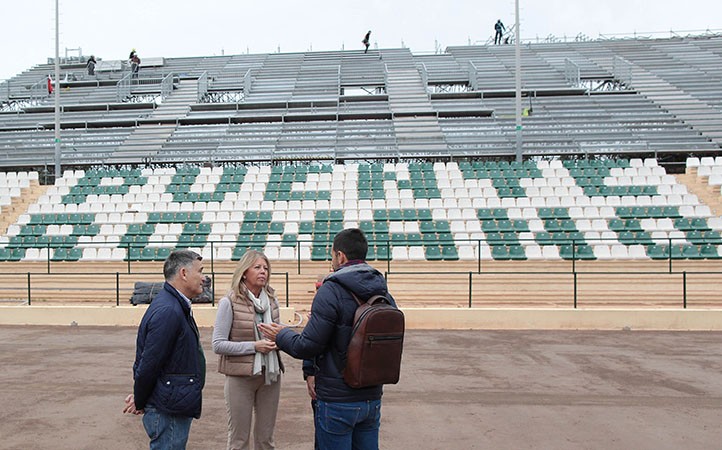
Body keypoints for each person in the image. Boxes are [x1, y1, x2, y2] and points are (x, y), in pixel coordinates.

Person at [259, 228, 396, 450]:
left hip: (337, 399)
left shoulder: (330, 290)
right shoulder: (383, 292)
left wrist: (282, 334)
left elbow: (308, 345)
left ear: (340, 256)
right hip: (372, 396)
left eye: (332, 255)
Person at [123, 250, 207, 450]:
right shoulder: (169, 310)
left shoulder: (174, 305)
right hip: (168, 407)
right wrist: (140, 398)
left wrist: (140, 396)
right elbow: (149, 364)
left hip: (172, 400)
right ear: (184, 273)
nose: (204, 277)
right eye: (200, 271)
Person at [212, 250, 284, 450]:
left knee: (266, 441)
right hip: (240, 378)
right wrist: (255, 346)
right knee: (239, 441)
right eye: (258, 267)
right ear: (244, 272)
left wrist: (280, 341)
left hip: (270, 375)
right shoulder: (229, 301)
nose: (263, 272)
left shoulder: (272, 300)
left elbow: (279, 333)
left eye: (266, 268)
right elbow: (218, 344)